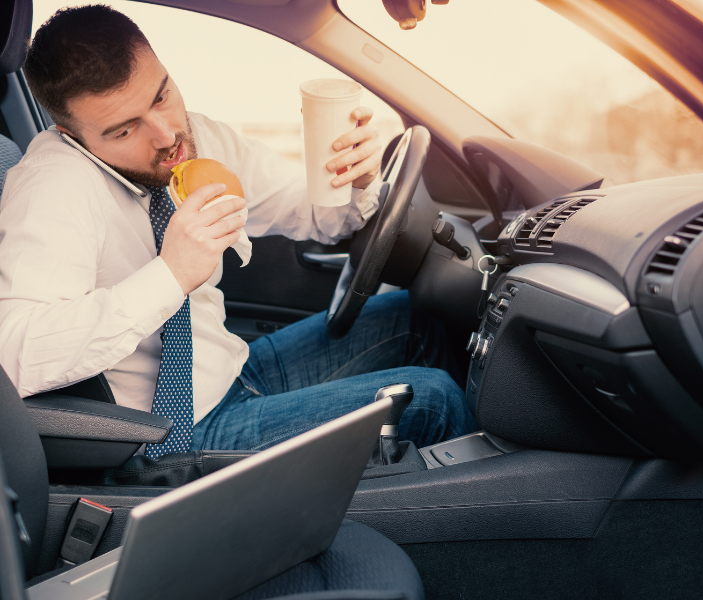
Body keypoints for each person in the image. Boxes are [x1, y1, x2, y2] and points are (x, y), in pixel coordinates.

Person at [0, 5, 477, 458]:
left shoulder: (199, 139)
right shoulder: (54, 188)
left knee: (413, 316)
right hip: (178, 429)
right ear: (70, 134)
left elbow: (313, 214)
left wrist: (357, 181)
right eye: (125, 131)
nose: (166, 135)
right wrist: (170, 275)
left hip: (235, 370)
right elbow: (17, 356)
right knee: (432, 399)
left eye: (161, 96)